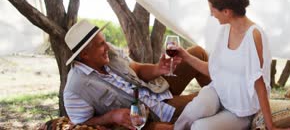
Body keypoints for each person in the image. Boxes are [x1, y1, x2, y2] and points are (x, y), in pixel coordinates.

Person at [63, 19, 211, 129]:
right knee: (209, 96)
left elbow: (137, 69)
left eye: (105, 41)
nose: (107, 46)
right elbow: (80, 123)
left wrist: (158, 69)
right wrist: (111, 116)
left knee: (198, 53)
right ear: (85, 54)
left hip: (155, 87)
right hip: (153, 111)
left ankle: (223, 94)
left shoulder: (109, 53)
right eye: (101, 44)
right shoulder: (75, 88)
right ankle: (227, 101)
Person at [173, 0, 278, 130]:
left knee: (199, 128)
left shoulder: (254, 35)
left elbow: (259, 84)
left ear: (226, 11)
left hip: (240, 111)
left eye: (212, 9)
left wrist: (271, 126)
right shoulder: (224, 31)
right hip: (218, 93)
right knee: (194, 110)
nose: (211, 14)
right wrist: (185, 55)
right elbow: (212, 70)